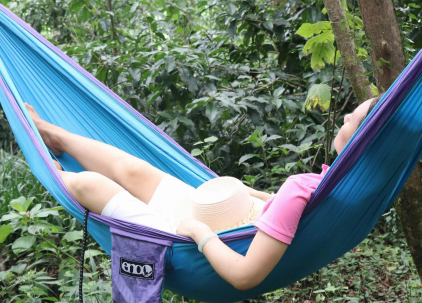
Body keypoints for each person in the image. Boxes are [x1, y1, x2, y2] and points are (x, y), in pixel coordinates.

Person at [26, 95, 380, 292]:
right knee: (134, 171)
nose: (344, 117)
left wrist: (197, 231)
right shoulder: (342, 186)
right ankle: (53, 135)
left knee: (88, 185)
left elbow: (245, 276)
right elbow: (290, 210)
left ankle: (57, 174)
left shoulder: (305, 186)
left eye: (352, 118)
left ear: (362, 140)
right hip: (217, 215)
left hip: (190, 241)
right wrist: (248, 192)